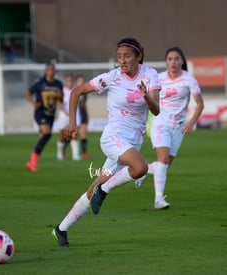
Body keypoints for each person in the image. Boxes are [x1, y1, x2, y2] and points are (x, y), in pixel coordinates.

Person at [52, 38, 161, 247]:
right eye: (119, 57)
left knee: (93, 189)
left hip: (132, 144)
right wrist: (73, 122)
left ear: (139, 57)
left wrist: (146, 96)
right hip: (113, 138)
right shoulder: (112, 77)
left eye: (127, 56)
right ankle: (105, 190)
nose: (122, 61)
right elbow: (77, 92)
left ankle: (61, 229)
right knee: (140, 167)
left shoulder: (150, 75)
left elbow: (156, 110)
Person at [134, 46, 204, 209]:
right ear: (166, 62)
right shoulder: (158, 78)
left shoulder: (189, 80)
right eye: (170, 59)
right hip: (160, 122)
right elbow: (146, 98)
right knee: (163, 160)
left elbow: (200, 104)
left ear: (182, 61)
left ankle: (142, 169)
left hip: (179, 127)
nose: (173, 62)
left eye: (177, 59)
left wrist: (190, 122)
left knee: (164, 164)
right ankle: (159, 199)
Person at [25, 63, 63, 171]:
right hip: (40, 112)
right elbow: (28, 92)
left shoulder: (58, 83)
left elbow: (61, 99)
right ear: (46, 71)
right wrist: (33, 103)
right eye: (49, 69)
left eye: (52, 69)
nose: (51, 71)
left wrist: (60, 96)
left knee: (44, 136)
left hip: (50, 114)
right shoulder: (39, 82)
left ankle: (32, 162)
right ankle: (32, 160)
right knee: (46, 132)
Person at [56, 73, 81, 161]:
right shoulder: (62, 91)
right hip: (64, 116)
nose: (69, 82)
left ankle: (75, 155)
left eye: (71, 80)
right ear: (66, 81)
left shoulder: (76, 90)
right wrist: (65, 112)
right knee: (62, 136)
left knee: (74, 135)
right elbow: (59, 103)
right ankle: (59, 153)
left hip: (75, 115)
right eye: (68, 80)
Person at [76, 74, 91, 159]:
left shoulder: (85, 92)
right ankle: (63, 148)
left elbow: (84, 104)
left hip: (83, 113)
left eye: (82, 81)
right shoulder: (74, 91)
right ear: (76, 82)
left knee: (84, 133)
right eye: (80, 81)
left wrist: (87, 113)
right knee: (74, 134)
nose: (81, 83)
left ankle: (84, 152)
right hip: (77, 114)